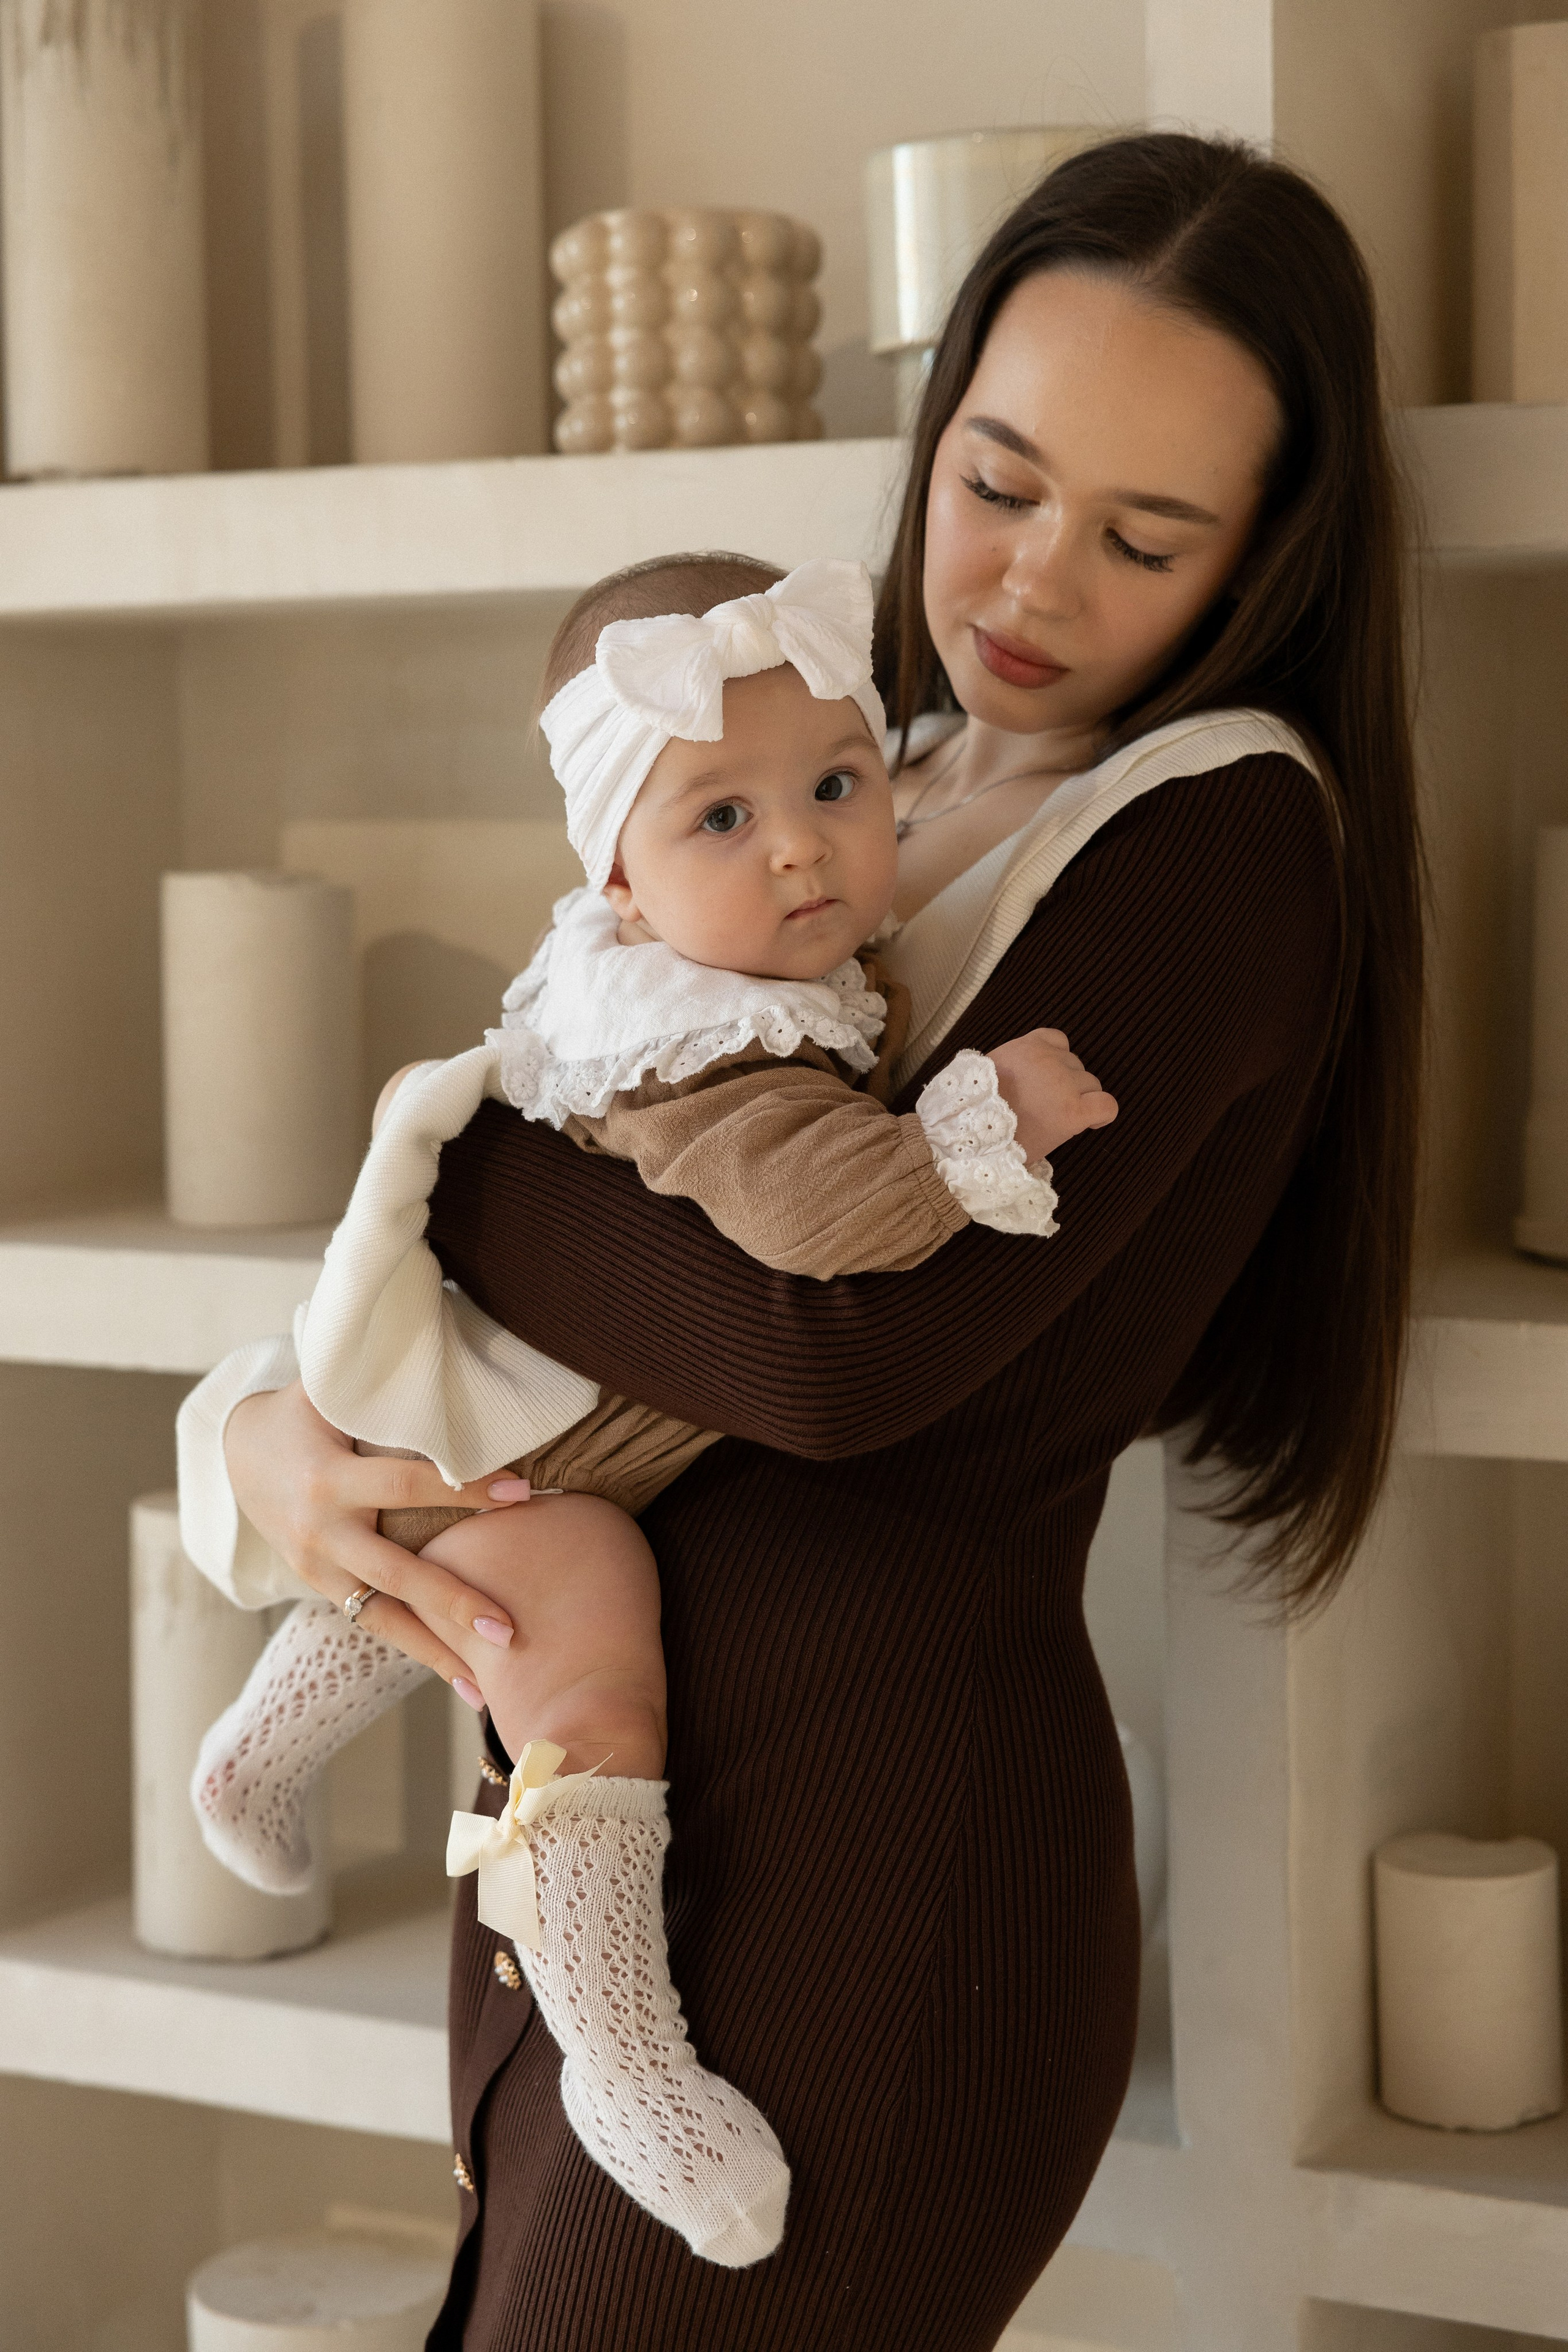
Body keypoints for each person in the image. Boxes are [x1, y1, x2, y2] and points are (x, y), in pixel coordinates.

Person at [203, 134, 1422, 2351]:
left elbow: (821, 1345)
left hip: (870, 1901)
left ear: (1266, 565)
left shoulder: (1222, 832)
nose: (1032, 580)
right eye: (996, 477)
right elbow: (596, 1123)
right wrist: (270, 1435)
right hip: (625, 1844)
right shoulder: (863, 764)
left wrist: (449, 1163)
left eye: (1145, 536)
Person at [182, 554, 1106, 2267]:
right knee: (591, 1688)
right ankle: (627, 2057)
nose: (801, 847)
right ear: (616, 870)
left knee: (447, 1576)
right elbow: (825, 1230)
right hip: (549, 1452)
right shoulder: (708, 1049)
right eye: (721, 819)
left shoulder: (677, 980)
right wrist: (989, 1128)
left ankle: (257, 1746)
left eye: (836, 786)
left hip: (501, 1424)